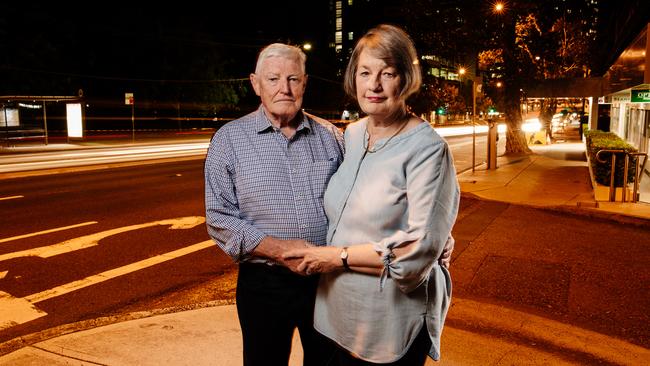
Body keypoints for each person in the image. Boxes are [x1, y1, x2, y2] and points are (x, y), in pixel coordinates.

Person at [284, 25, 460, 365]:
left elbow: (415, 253)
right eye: (365, 72)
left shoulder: (427, 148)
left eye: (388, 73)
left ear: (406, 79)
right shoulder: (352, 134)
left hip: (388, 326)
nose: (374, 85)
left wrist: (337, 257)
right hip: (334, 315)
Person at [204, 43, 345, 366]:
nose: (285, 88)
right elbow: (219, 218)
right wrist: (280, 250)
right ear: (255, 83)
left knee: (329, 363)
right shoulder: (229, 141)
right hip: (264, 284)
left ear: (305, 83)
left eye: (293, 79)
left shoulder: (333, 138)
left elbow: (357, 204)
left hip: (328, 282)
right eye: (273, 79)